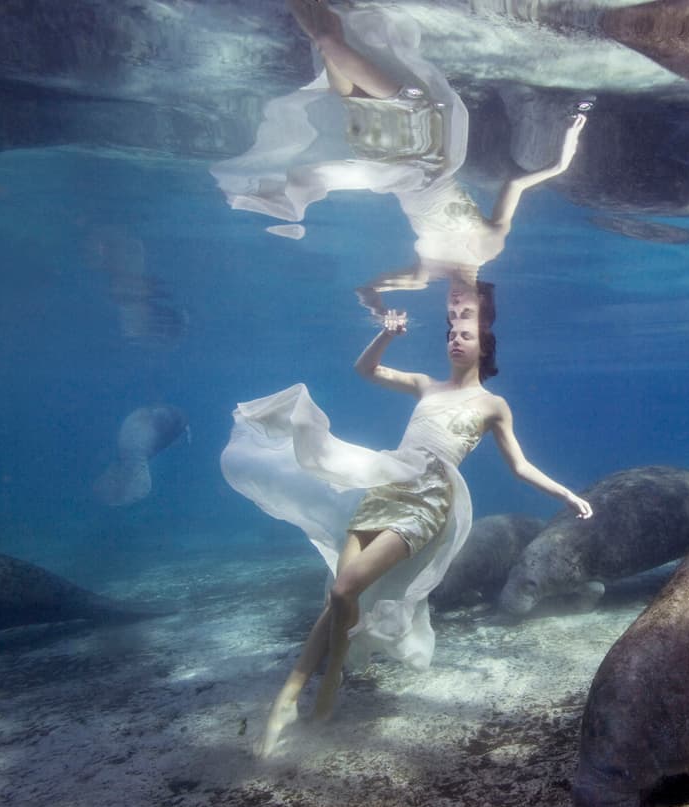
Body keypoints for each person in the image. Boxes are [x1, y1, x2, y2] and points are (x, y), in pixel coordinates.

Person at [221, 283, 592, 757]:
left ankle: (330, 678)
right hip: (385, 488)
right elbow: (366, 369)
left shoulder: (492, 406)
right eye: (451, 332)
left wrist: (565, 493)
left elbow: (519, 466)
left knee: (342, 589)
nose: (455, 339)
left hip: (429, 499)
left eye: (465, 334)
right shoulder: (424, 384)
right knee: (338, 597)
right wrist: (387, 334)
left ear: (484, 345)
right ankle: (288, 700)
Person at [212, 0, 588, 295]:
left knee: (335, 48)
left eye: (455, 316)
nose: (457, 308)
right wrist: (560, 163)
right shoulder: (488, 246)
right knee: (329, 48)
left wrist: (378, 310)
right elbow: (514, 185)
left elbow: (369, 287)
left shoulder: (426, 274)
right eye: (465, 312)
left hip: (408, 154)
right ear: (481, 298)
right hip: (399, 157)